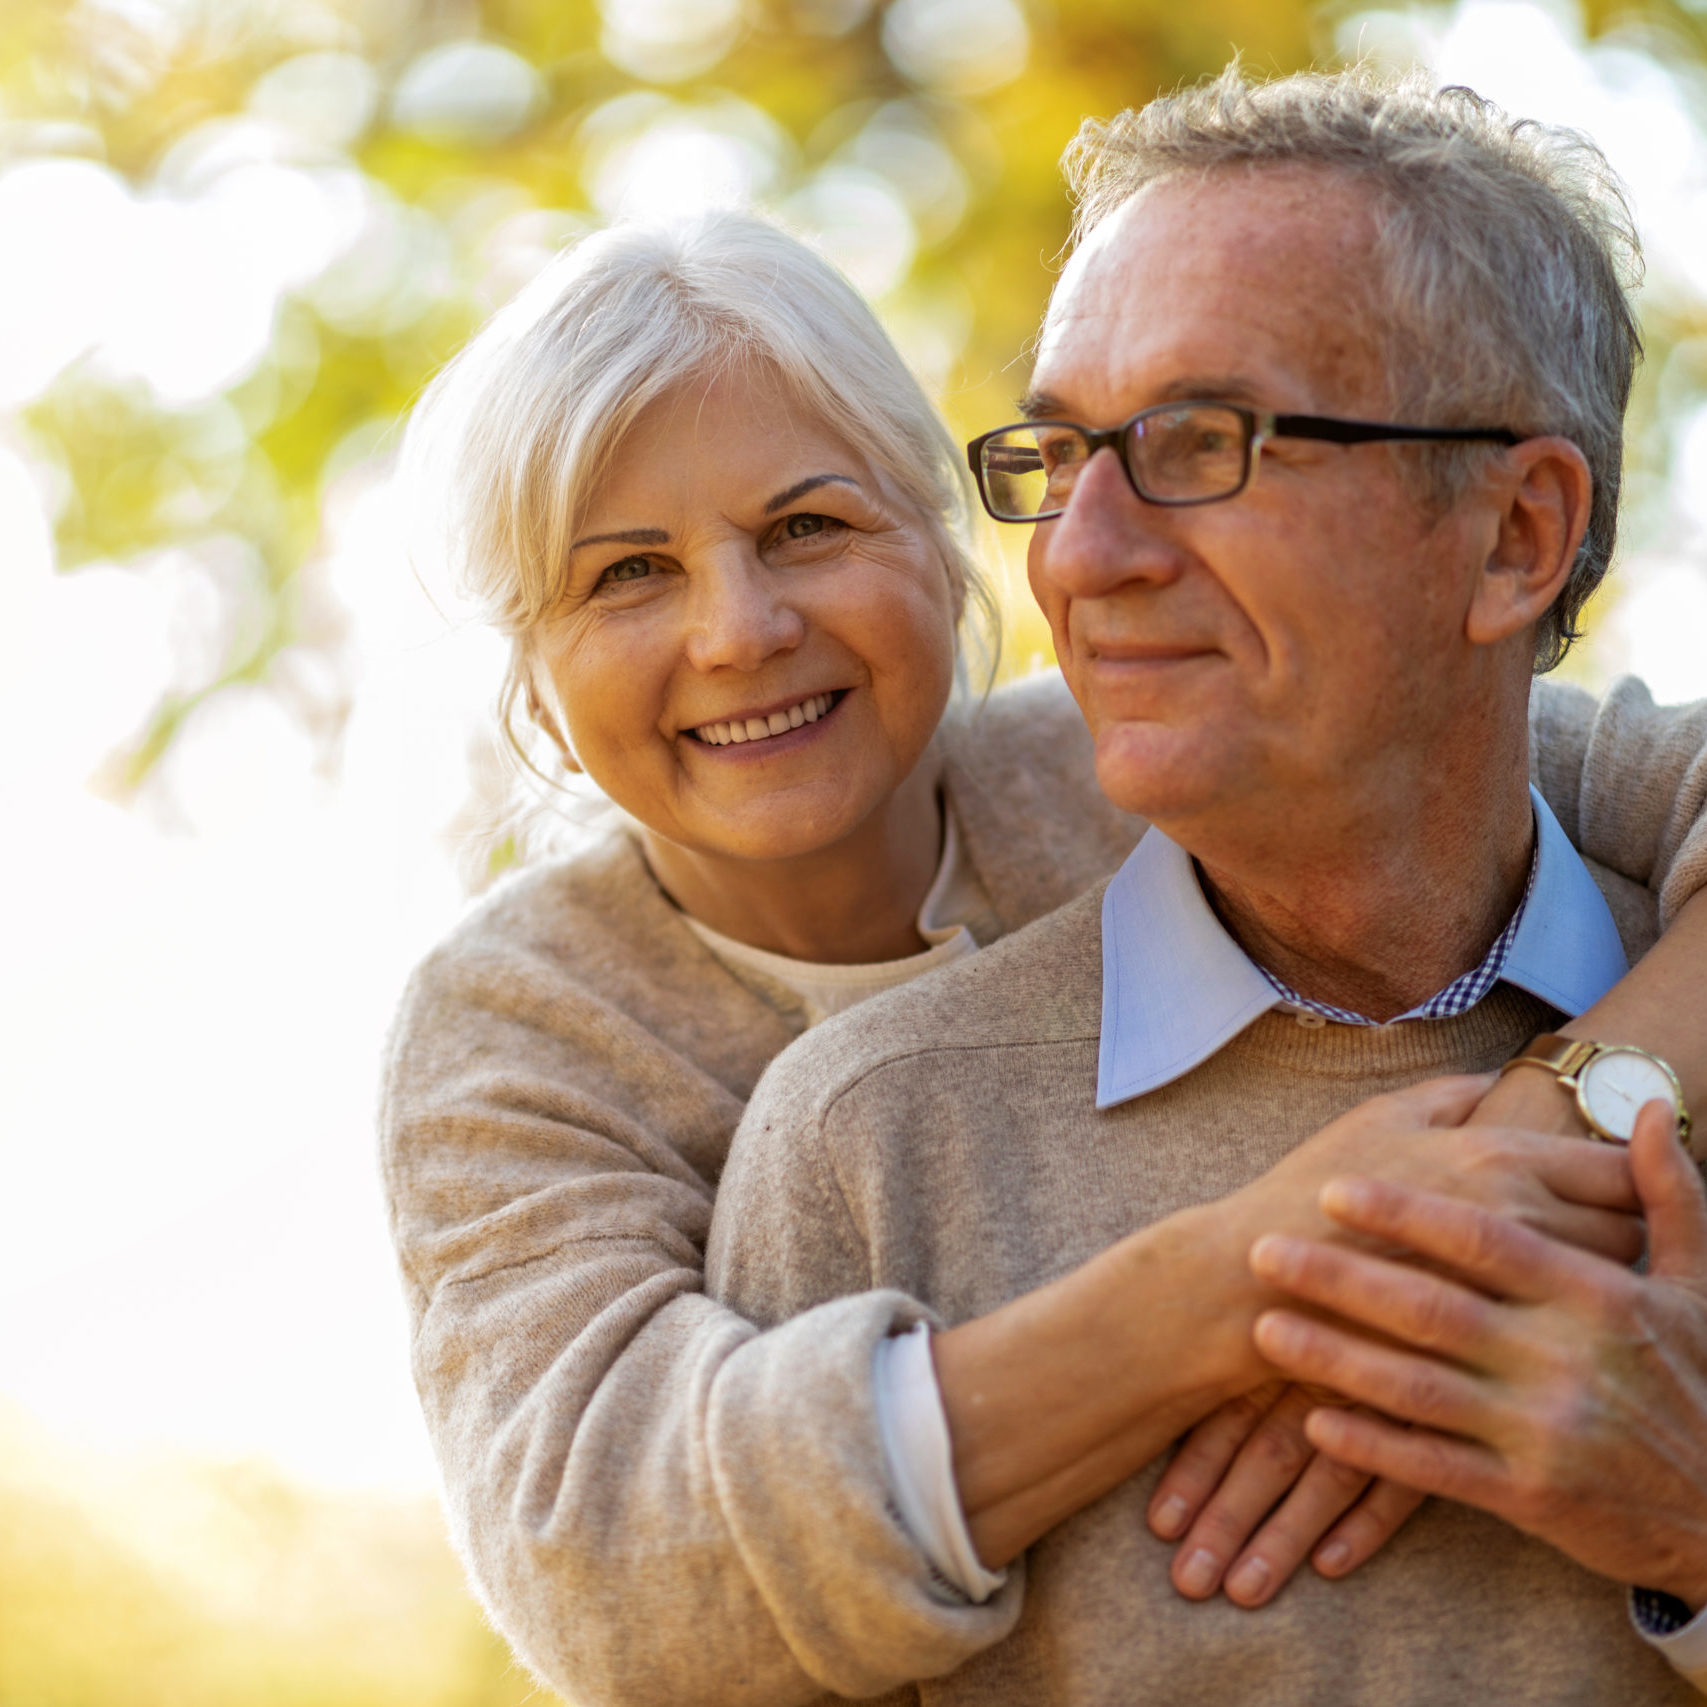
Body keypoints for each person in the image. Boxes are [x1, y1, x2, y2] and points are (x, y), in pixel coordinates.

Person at [381, 208, 1707, 1707]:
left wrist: (1564, 1111)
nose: (741, 630)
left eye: (807, 527)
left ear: (946, 555)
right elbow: (616, 1564)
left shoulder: (1148, 756)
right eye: (625, 575)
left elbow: (1547, 767)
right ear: (538, 688)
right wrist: (1260, 1277)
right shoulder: (515, 1030)